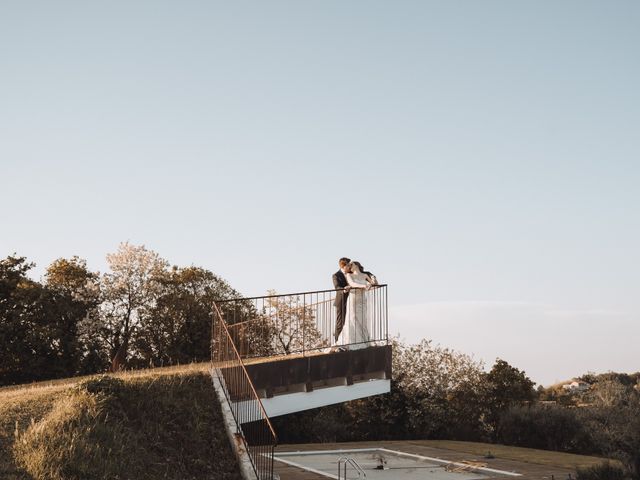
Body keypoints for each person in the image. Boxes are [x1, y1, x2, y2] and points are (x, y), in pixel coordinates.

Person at [334, 260, 378, 350]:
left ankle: (363, 339)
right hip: (353, 299)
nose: (349, 266)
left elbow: (374, 284)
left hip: (362, 300)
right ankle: (348, 341)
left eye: (351, 264)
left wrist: (373, 280)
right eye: (348, 265)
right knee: (352, 319)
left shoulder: (365, 275)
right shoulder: (349, 275)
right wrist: (364, 286)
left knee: (362, 319)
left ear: (356, 265)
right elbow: (352, 284)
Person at [332, 257, 351, 343]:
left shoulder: (351, 273)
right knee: (340, 323)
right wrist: (344, 289)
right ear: (343, 266)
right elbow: (337, 287)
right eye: (348, 265)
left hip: (351, 301)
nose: (350, 267)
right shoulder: (336, 275)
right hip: (341, 301)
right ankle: (337, 342)